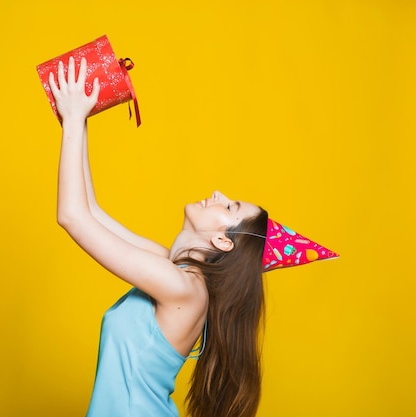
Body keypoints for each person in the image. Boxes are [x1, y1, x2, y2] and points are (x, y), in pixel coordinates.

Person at [48, 56, 336, 417]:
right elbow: (91, 211)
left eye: (229, 208)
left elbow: (72, 217)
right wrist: (79, 118)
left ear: (224, 242)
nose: (217, 194)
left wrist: (73, 119)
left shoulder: (180, 287)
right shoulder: (171, 268)